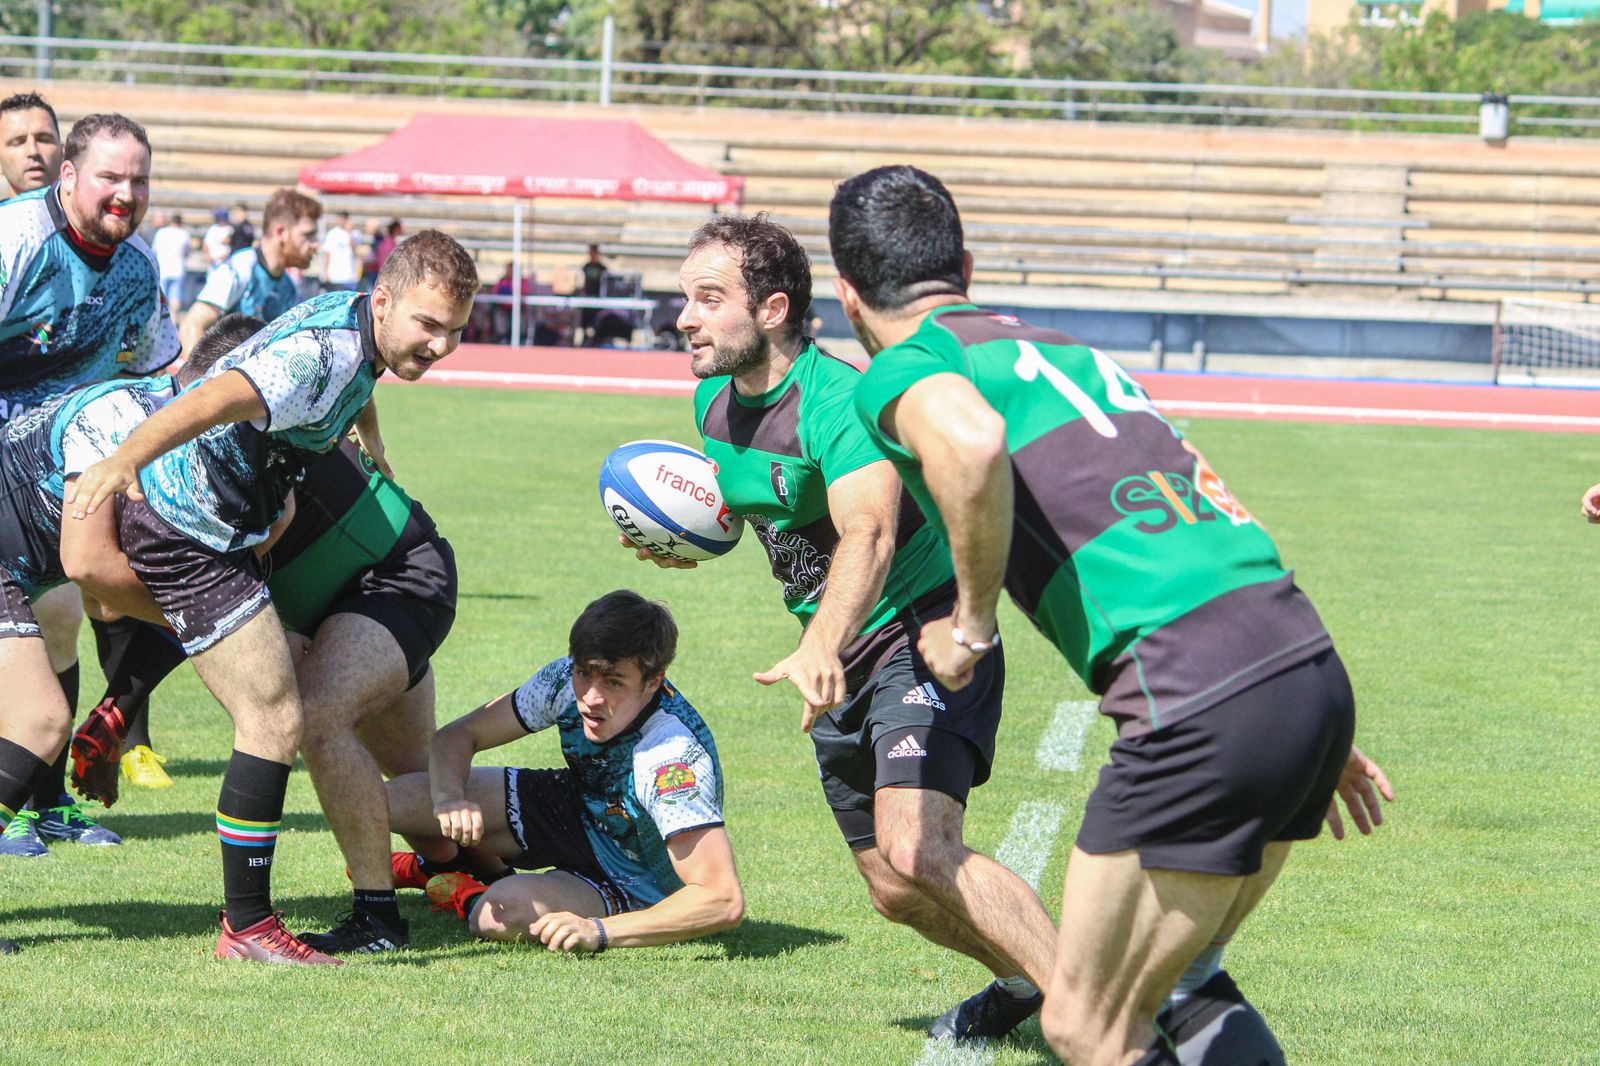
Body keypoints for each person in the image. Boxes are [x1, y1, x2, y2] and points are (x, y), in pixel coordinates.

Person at [832, 165, 1393, 1065]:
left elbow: (971, 445)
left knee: (1085, 1025)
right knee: (1183, 984)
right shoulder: (1066, 348)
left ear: (848, 298)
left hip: (1196, 692)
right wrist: (1288, 708)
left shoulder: (909, 364)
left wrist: (971, 623)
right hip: (1297, 659)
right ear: (965, 263)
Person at [630, 213, 1057, 1041]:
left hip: (913, 632)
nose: (685, 317)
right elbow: (773, 513)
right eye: (685, 298)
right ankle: (1021, 980)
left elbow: (869, 529)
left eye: (708, 299)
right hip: (835, 657)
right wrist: (683, 541)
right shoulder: (712, 398)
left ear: (774, 308)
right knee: (892, 889)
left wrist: (820, 641)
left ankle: (1113, 1011)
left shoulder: (839, 398)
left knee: (917, 846)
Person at [65, 231, 478, 964]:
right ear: (381, 301)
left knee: (344, 737)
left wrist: (373, 443)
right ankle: (276, 922)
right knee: (316, 728)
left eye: (454, 331)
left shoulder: (357, 335)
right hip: (253, 549)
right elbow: (219, 395)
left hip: (351, 570)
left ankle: (424, 892)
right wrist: (125, 458)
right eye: (429, 325)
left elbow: (355, 385)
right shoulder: (311, 357)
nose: (443, 346)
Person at [0, 112, 179, 860]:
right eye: (110, 176)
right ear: (69, 177)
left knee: (67, 616)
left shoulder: (136, 268)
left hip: (57, 472)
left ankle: (42, 803)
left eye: (138, 179)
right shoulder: (17, 240)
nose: (125, 192)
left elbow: (155, 370)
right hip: (10, 474)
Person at [385, 590, 743, 953]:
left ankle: (467, 892)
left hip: (637, 882)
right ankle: (437, 865)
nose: (590, 697)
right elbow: (458, 735)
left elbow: (721, 898)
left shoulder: (671, 759)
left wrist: (599, 931)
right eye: (583, 673)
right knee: (395, 799)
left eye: (614, 682)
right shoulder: (562, 681)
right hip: (581, 811)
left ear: (653, 681)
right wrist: (448, 799)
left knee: (499, 914)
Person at [180, 189, 321, 354]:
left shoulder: (289, 288)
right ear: (281, 232)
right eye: (308, 235)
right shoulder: (241, 268)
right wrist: (204, 380)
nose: (315, 244)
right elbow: (192, 325)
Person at [0, 91, 61, 199]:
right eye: (18, 142)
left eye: (44, 140)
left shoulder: (90, 215)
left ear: (63, 152)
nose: (33, 151)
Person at [151, 212, 192, 314]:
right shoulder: (184, 234)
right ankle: (173, 320)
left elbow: (154, 250)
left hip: (163, 268)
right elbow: (187, 252)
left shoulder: (161, 232)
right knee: (175, 297)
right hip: (178, 269)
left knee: (161, 297)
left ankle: (161, 320)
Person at [319, 211, 361, 293]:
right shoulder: (332, 233)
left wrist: (349, 232)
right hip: (334, 276)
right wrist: (325, 272)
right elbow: (327, 253)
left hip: (349, 276)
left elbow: (355, 249)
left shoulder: (355, 233)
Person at [579, 244, 606, 345]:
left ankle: (596, 340)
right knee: (585, 319)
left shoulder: (602, 268)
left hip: (598, 298)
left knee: (597, 320)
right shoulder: (586, 267)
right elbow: (582, 281)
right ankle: (585, 339)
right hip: (587, 298)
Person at [202, 207, 233, 276]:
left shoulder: (230, 229)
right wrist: (207, 256)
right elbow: (206, 244)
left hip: (224, 264)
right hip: (212, 264)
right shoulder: (212, 229)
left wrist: (219, 258)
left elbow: (229, 245)